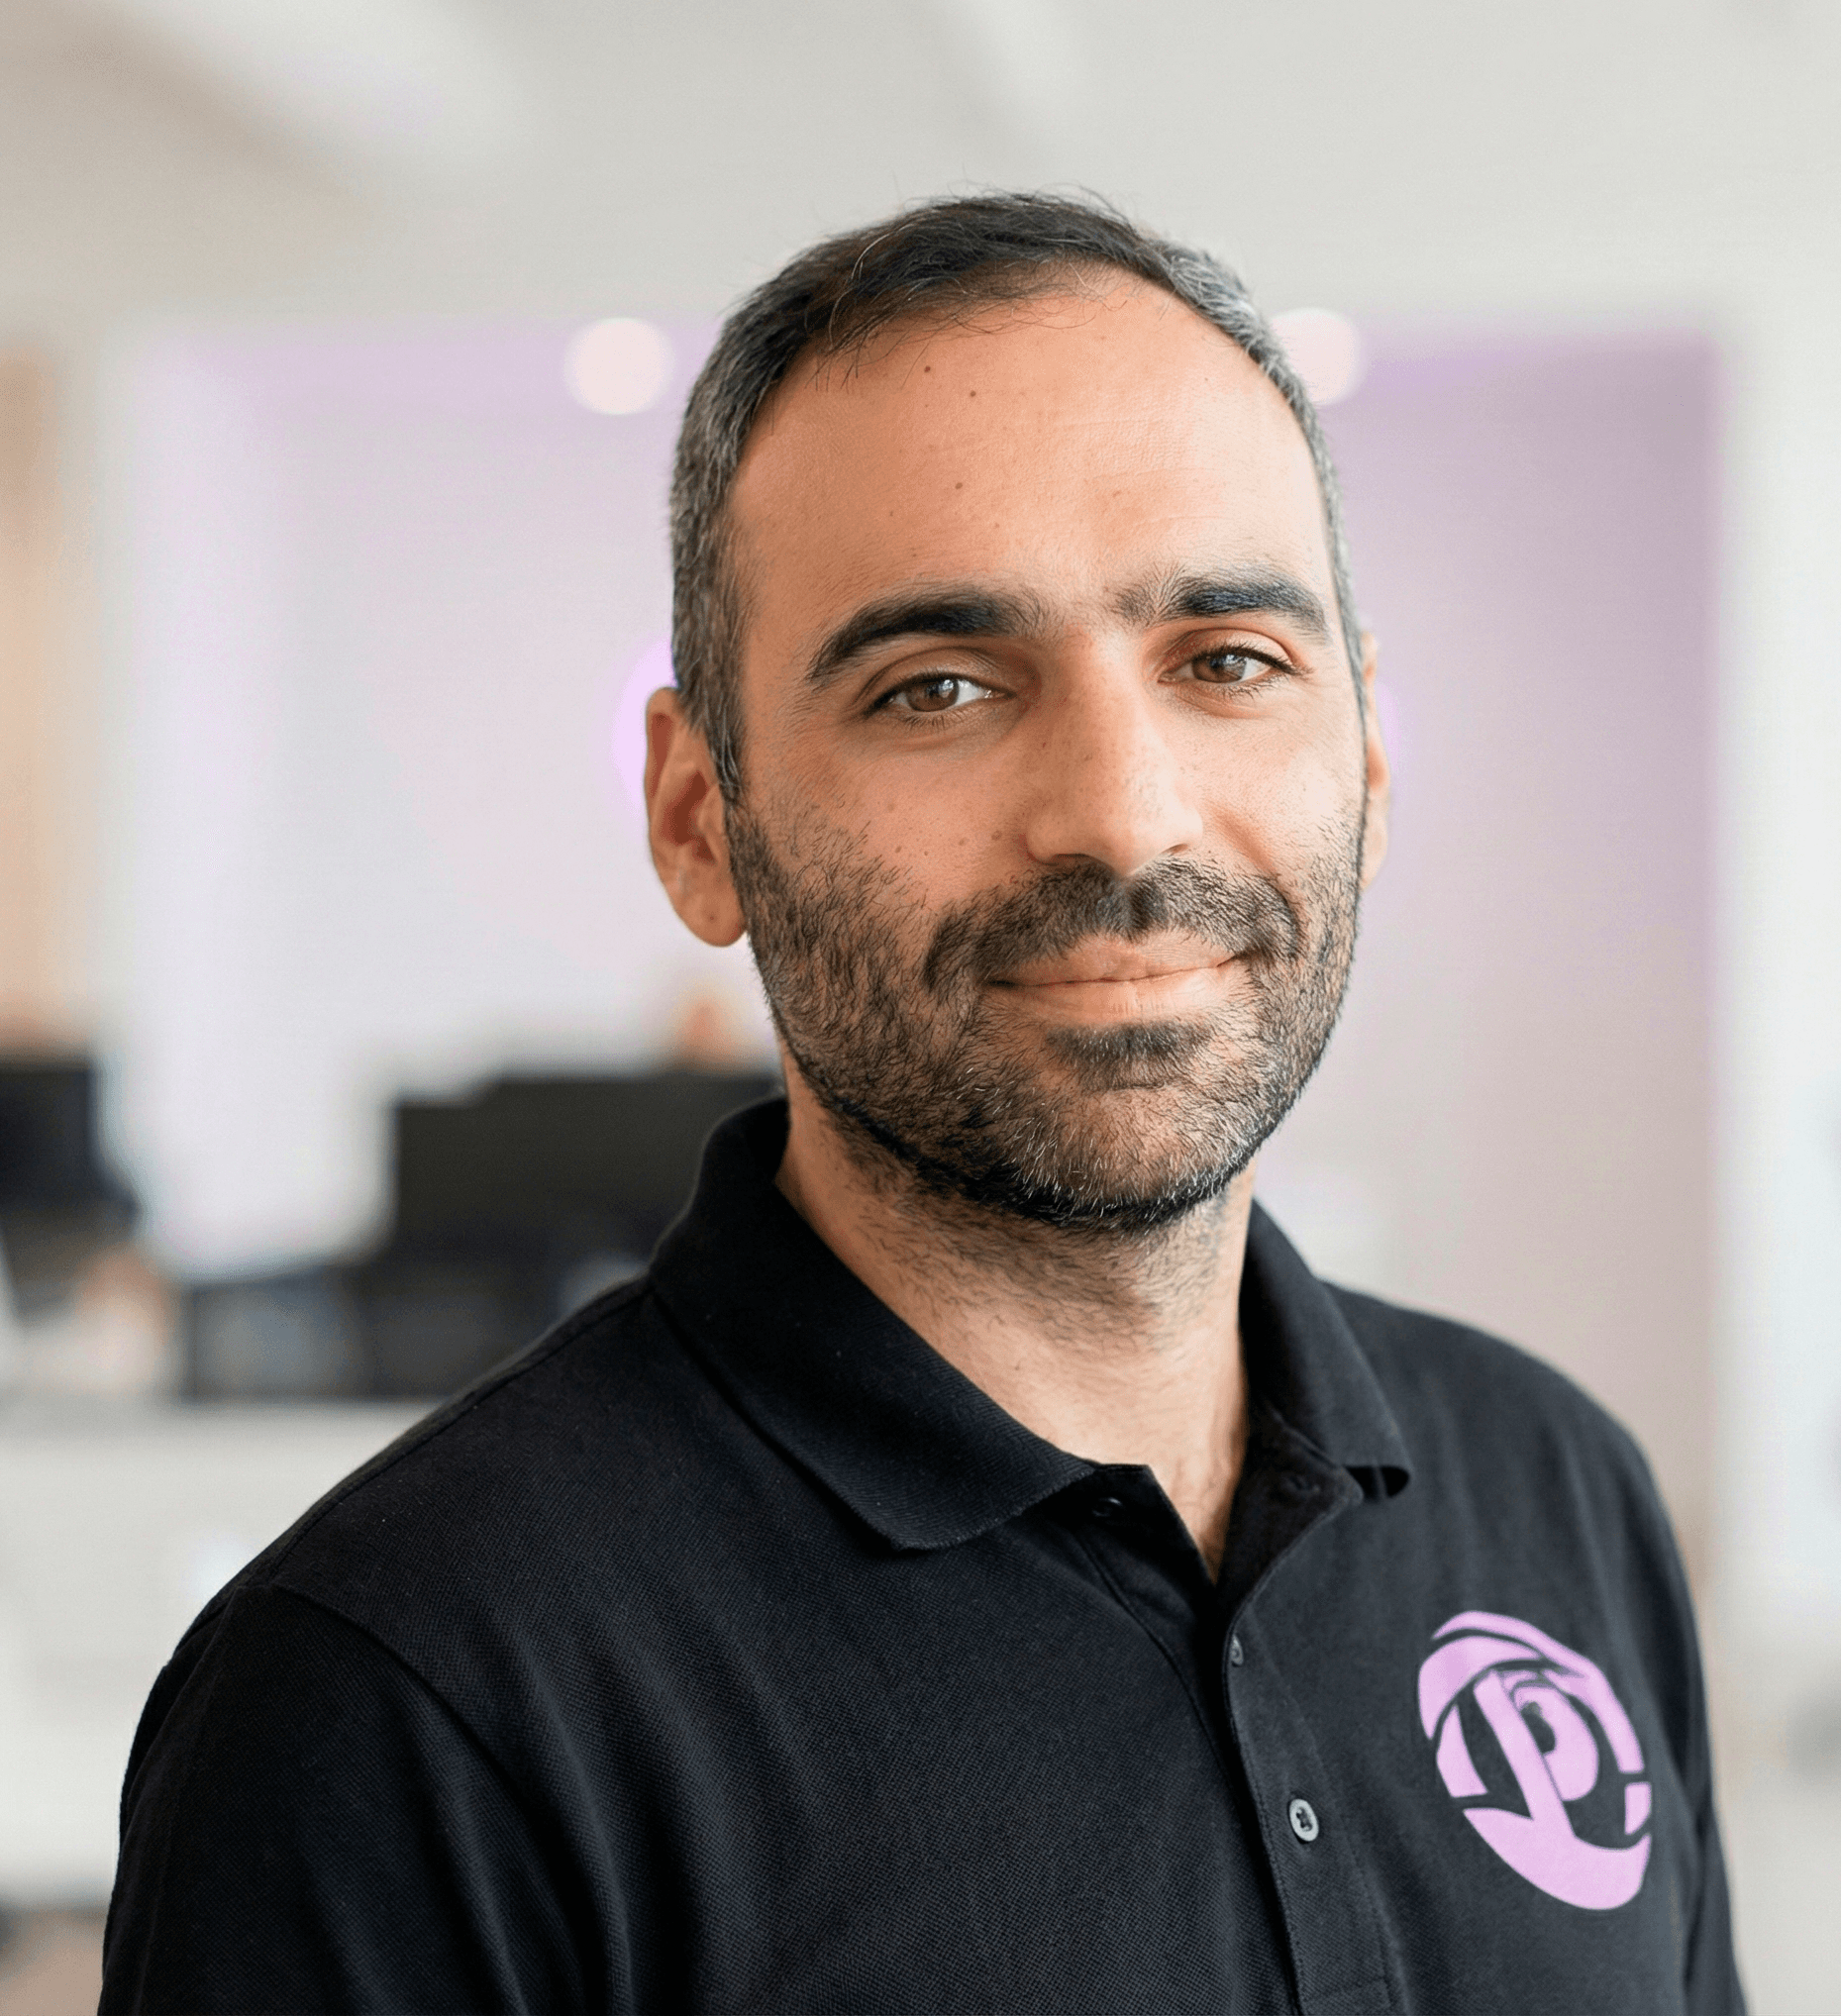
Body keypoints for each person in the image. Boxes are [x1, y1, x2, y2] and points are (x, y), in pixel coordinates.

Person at [101, 193, 1743, 2013]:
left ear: (1362, 748)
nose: (1125, 818)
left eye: (1226, 661)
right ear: (696, 817)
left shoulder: (1554, 1487)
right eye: (939, 687)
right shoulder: (403, 1701)